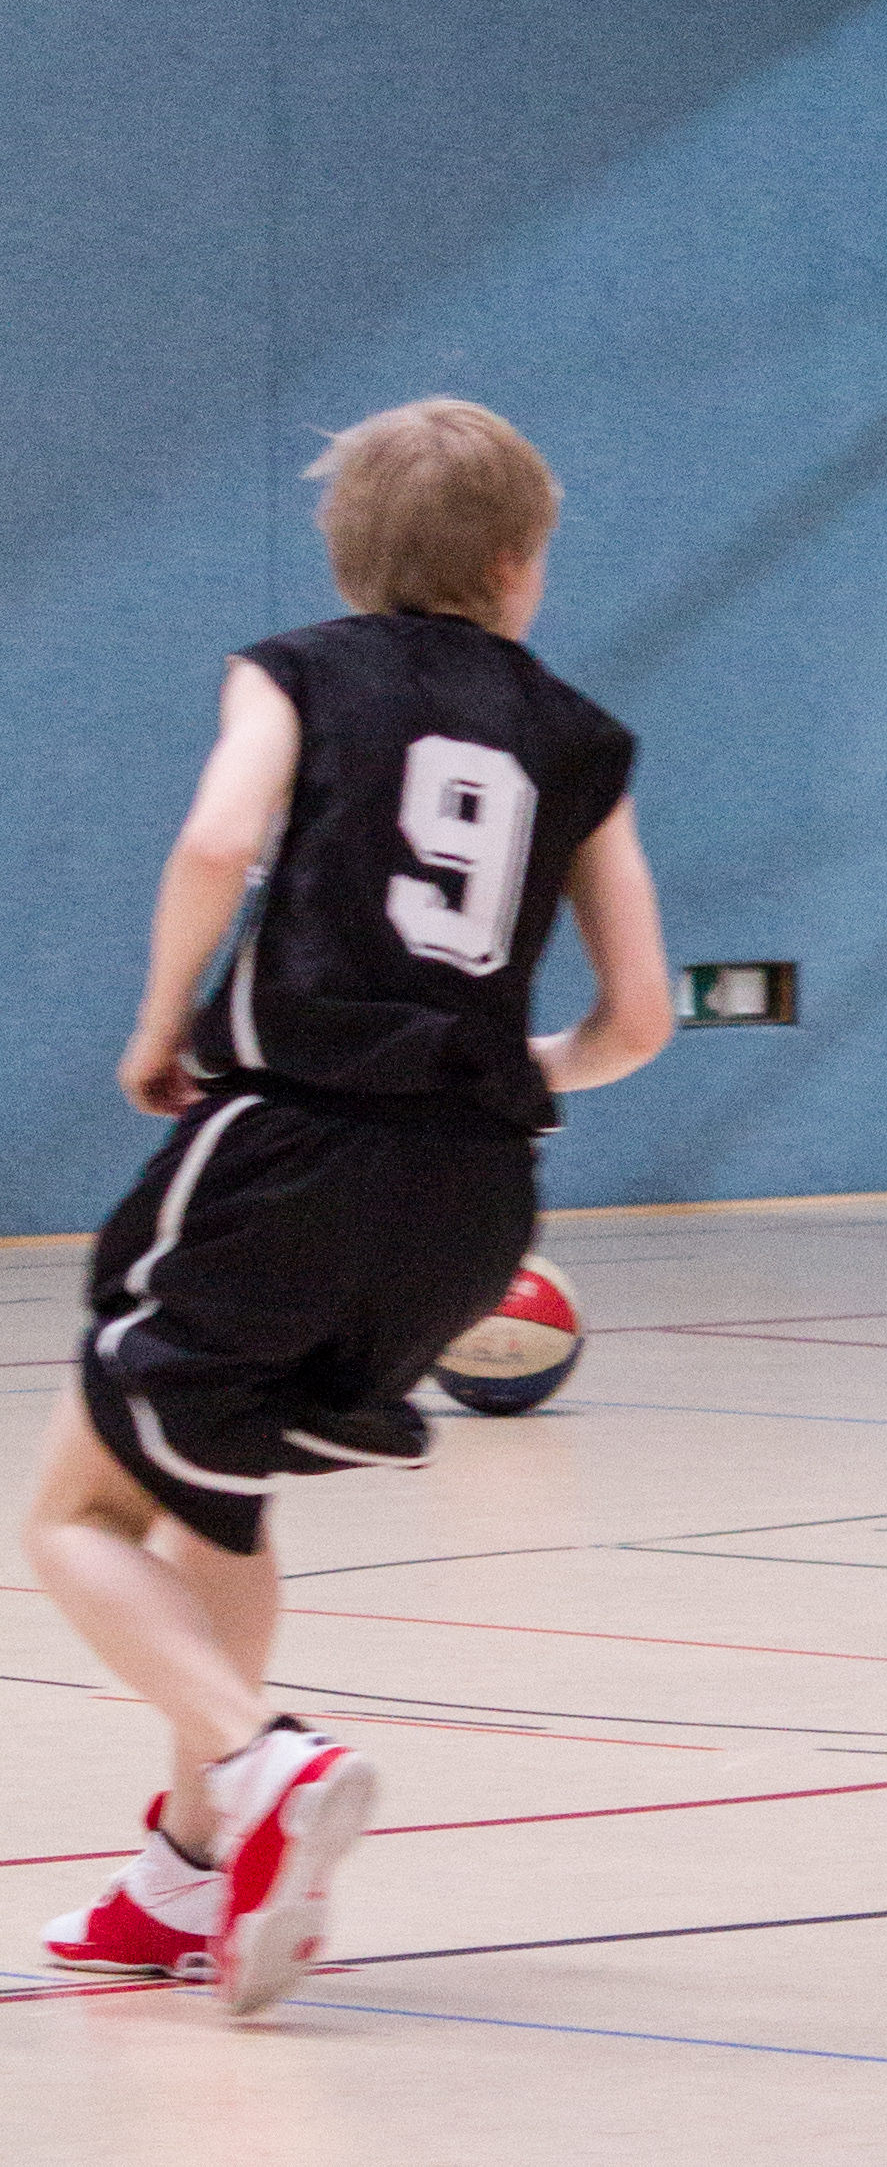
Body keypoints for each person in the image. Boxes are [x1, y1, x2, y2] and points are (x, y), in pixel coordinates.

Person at [23, 398, 671, 2016]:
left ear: (346, 554)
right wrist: (508, 1065)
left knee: (73, 1515)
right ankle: (187, 1870)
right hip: (480, 1192)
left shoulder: (299, 671)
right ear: (520, 562)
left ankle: (262, 1759)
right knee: (216, 1498)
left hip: (292, 1143)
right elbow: (640, 1019)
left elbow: (217, 837)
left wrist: (163, 1022)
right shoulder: (581, 736)